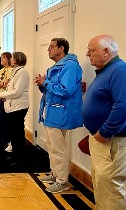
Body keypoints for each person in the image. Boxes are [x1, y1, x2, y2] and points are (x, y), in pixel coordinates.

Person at [82, 35, 126, 210]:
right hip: (102, 140)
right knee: (102, 186)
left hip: (111, 140)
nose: (87, 54)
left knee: (110, 191)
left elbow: (122, 106)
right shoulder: (107, 71)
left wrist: (104, 133)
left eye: (91, 50)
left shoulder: (119, 70)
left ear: (106, 51)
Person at [34, 38, 83, 193]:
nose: (48, 49)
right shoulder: (55, 66)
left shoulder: (70, 66)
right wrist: (43, 84)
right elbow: (51, 89)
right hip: (51, 111)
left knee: (58, 148)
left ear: (61, 48)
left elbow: (66, 90)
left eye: (51, 47)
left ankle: (62, 181)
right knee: (51, 145)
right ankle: (55, 174)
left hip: (60, 112)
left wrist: (46, 83)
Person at [0, 52, 29, 165]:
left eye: (12, 58)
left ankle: (19, 158)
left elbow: (17, 91)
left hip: (19, 107)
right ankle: (16, 156)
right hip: (13, 106)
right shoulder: (17, 72)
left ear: (17, 60)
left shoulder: (23, 72)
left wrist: (3, 95)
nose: (10, 60)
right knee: (14, 132)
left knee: (17, 133)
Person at [0, 52, 13, 151]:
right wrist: (2, 83)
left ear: (9, 59)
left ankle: (7, 142)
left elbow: (8, 85)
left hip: (8, 99)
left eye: (3, 58)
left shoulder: (12, 71)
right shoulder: (1, 70)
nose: (1, 59)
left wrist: (2, 84)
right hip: (0, 98)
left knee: (4, 123)